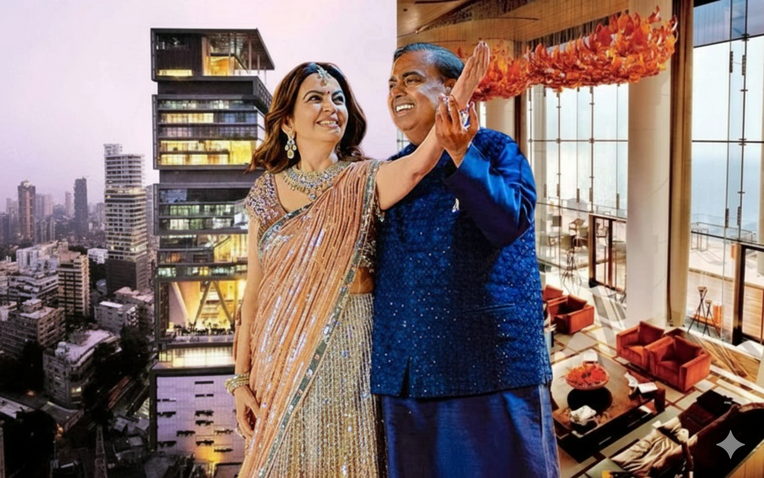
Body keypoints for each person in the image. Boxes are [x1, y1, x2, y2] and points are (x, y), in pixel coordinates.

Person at [229, 44, 489, 478]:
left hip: (352, 348)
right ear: (288, 121)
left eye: (338, 99)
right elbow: (252, 295)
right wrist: (240, 380)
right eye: (315, 98)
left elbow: (418, 166)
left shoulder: (363, 178)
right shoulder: (265, 193)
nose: (331, 107)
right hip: (276, 358)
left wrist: (458, 96)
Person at [371, 42, 561, 478]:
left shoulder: (496, 150)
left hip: (493, 371)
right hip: (407, 377)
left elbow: (508, 224)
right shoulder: (392, 172)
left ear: (453, 88)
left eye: (411, 79)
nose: (397, 91)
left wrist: (461, 153)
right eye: (392, 84)